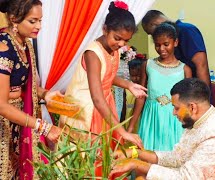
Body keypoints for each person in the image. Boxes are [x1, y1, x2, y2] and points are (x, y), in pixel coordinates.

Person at [58, 1, 147, 177]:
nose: (121, 44)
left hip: (102, 106)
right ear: (105, 29)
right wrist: (121, 131)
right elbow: (96, 97)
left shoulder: (112, 48)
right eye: (117, 38)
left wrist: (128, 84)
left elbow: (106, 75)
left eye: (126, 40)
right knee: (87, 159)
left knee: (104, 157)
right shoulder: (92, 53)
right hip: (86, 110)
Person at [109, 78, 215, 179]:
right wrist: (135, 154)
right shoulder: (199, 118)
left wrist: (136, 164)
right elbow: (178, 158)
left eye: (176, 108)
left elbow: (186, 177)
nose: (173, 113)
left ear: (192, 107)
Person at [0, 0, 62, 179]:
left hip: (19, 119)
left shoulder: (25, 44)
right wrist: (42, 127)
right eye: (33, 21)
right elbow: (2, 105)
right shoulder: (4, 48)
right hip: (4, 121)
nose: (39, 26)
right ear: (14, 19)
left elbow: (28, 85)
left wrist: (46, 94)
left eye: (40, 20)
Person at [129, 22, 192, 151]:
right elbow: (141, 97)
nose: (161, 48)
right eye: (157, 45)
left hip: (175, 121)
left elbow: (188, 102)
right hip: (151, 120)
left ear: (175, 42)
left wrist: (190, 128)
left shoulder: (184, 70)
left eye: (166, 44)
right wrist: (131, 126)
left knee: (172, 157)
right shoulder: (148, 65)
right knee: (147, 157)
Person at [141, 10, 210, 87]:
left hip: (194, 91)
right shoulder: (149, 64)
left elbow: (201, 65)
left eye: (151, 33)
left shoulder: (186, 30)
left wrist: (204, 96)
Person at [122, 58, 143, 132]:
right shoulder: (127, 89)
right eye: (132, 76)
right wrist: (121, 123)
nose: (136, 78)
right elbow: (124, 108)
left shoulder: (145, 89)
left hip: (141, 122)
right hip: (128, 120)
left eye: (138, 75)